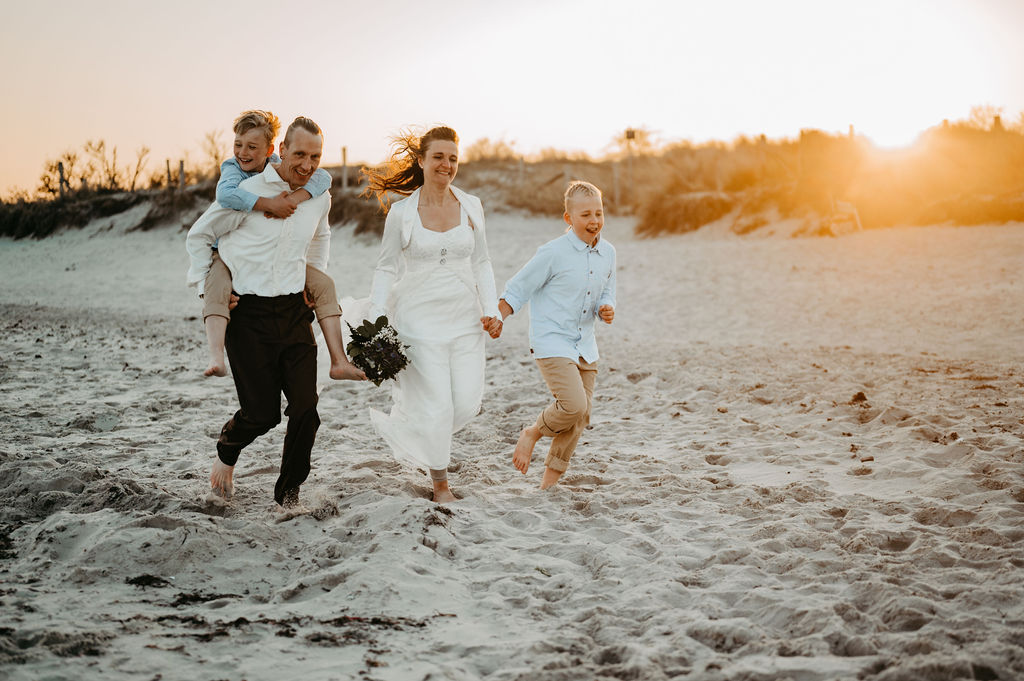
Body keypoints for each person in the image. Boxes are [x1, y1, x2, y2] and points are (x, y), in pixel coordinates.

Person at [186, 117, 364, 507]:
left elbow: (321, 238)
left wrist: (312, 280)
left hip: (293, 312)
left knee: (307, 410)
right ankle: (226, 452)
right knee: (262, 414)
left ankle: (288, 493)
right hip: (248, 317)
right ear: (281, 150)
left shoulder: (318, 196)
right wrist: (208, 289)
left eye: (315, 156)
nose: (307, 163)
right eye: (299, 153)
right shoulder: (246, 191)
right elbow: (199, 235)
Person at [361, 125, 502, 503]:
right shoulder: (402, 213)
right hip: (418, 322)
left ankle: (419, 432)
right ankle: (440, 484)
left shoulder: (472, 205)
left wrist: (492, 310)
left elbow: (483, 261)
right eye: (438, 156)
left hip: (465, 319)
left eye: (453, 158)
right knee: (438, 404)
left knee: (467, 403)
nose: (446, 164)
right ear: (421, 161)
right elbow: (386, 268)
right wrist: (377, 318)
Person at [201, 109, 355, 383]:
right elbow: (223, 198)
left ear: (271, 150)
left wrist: (297, 198)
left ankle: (339, 361)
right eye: (238, 145)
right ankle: (215, 355)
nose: (243, 153)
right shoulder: (233, 173)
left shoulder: (289, 173)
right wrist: (268, 204)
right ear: (284, 150)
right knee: (217, 289)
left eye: (252, 147)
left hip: (287, 281)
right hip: (222, 252)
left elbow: (324, 182)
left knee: (326, 285)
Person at [498, 181, 616, 490]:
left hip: (586, 344)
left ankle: (547, 487)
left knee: (581, 416)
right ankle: (532, 433)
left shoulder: (608, 252)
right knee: (574, 405)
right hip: (552, 341)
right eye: (586, 215)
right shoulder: (553, 252)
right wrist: (499, 317)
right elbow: (519, 287)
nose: (594, 221)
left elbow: (608, 290)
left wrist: (607, 306)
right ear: (569, 218)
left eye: (599, 213)